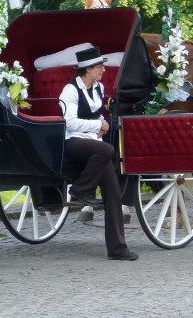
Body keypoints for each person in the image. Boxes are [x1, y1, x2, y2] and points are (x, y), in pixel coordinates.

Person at [58, 46, 137, 261]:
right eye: (99, 66)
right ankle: (79, 190)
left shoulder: (99, 88)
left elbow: (99, 116)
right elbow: (70, 122)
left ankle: (118, 249)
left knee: (113, 195)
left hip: (95, 146)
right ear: (88, 69)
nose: (103, 69)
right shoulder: (70, 90)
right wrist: (97, 125)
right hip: (73, 142)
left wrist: (101, 126)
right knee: (107, 149)